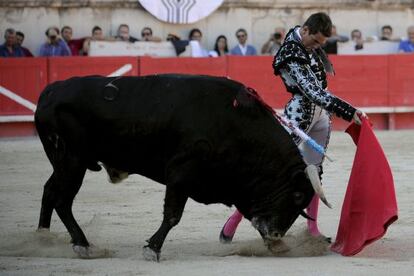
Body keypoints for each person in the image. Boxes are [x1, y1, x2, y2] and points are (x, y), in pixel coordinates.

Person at [219, 12, 367, 244]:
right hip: (298, 114)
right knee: (269, 170)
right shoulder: (289, 52)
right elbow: (312, 91)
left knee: (315, 171)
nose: (318, 47)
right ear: (306, 31)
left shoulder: (307, 40)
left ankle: (313, 228)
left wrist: (339, 111)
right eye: (316, 41)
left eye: (321, 43)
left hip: (320, 115)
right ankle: (234, 220)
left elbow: (320, 88)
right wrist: (349, 111)